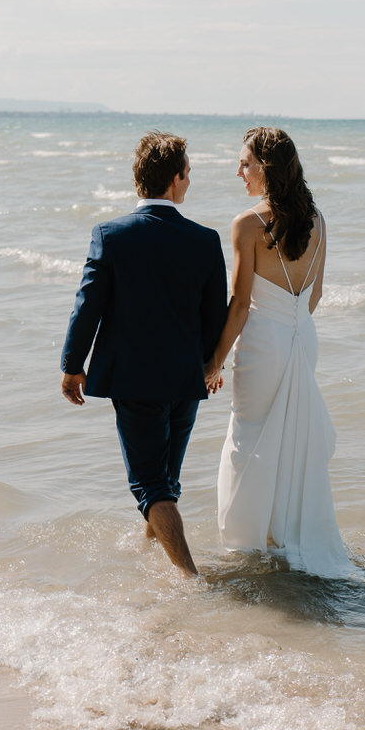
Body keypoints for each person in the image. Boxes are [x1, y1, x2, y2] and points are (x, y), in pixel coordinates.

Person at [61, 131, 228, 577]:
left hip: (135, 381)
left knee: (153, 486)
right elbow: (216, 316)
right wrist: (212, 365)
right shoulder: (205, 240)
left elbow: (88, 305)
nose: (189, 182)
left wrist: (71, 366)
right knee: (165, 482)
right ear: (174, 179)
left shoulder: (111, 235)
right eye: (188, 174)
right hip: (186, 380)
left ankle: (191, 579)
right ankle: (151, 558)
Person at [205, 127, 358, 579]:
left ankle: (247, 542)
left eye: (245, 163)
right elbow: (315, 295)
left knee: (247, 440)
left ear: (266, 168)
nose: (239, 172)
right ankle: (283, 536)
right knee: (291, 438)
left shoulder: (246, 225)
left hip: (262, 344)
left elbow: (238, 304)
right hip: (300, 337)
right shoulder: (319, 221)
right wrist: (290, 324)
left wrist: (214, 360)